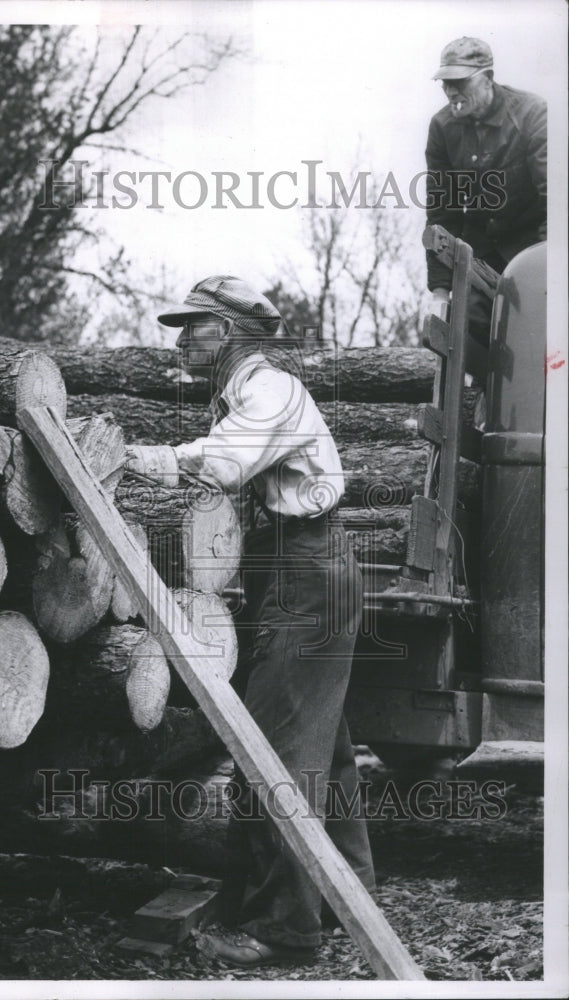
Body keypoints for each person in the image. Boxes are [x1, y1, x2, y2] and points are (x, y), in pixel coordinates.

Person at [125, 276, 374, 967]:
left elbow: (226, 462)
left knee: (273, 756)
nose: (181, 339)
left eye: (194, 325)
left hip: (307, 566)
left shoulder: (266, 387)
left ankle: (281, 930)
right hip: (298, 565)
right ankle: (345, 900)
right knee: (324, 750)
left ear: (229, 331)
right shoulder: (250, 386)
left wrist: (134, 459)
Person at [425, 37, 547, 343]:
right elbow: (443, 212)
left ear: (488, 79)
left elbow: (554, 200)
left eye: (461, 82)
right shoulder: (442, 127)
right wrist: (440, 291)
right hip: (480, 255)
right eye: (445, 83)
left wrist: (549, 268)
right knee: (469, 336)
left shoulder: (532, 114)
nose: (451, 91)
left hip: (532, 245)